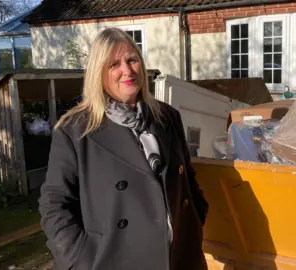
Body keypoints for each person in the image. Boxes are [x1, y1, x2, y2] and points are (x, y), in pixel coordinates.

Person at [38, 27, 209, 270]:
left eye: (132, 60)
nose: (127, 71)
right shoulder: (75, 130)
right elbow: (54, 203)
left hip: (180, 258)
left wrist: (196, 218)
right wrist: (79, 258)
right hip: (113, 261)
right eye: (114, 64)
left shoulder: (167, 117)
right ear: (99, 74)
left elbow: (187, 178)